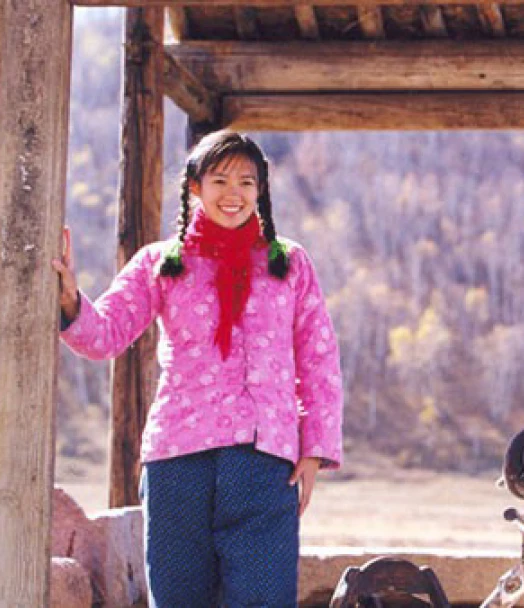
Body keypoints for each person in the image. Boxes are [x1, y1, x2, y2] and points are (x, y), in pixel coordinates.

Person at [54, 130, 343, 607]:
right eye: (220, 180)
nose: (234, 194)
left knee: (264, 600)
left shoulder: (288, 263)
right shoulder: (162, 262)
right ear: (194, 187)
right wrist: (69, 301)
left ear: (260, 191)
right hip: (178, 461)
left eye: (246, 183)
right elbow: (104, 334)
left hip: (264, 462)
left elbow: (318, 360)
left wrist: (313, 449)